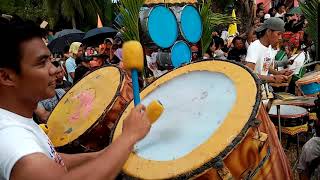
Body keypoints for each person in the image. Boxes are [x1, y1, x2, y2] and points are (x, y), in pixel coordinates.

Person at [0, 18, 151, 180]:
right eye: (41, 63)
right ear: (6, 76)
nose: (54, 70)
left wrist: (106, 152)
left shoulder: (19, 121)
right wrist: (129, 137)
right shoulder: (12, 137)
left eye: (50, 60)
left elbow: (56, 161)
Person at [245, 17, 292, 84]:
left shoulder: (269, 47)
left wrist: (277, 73)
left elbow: (265, 66)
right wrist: (273, 79)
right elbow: (248, 73)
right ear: (268, 32)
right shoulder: (255, 47)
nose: (280, 38)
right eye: (278, 34)